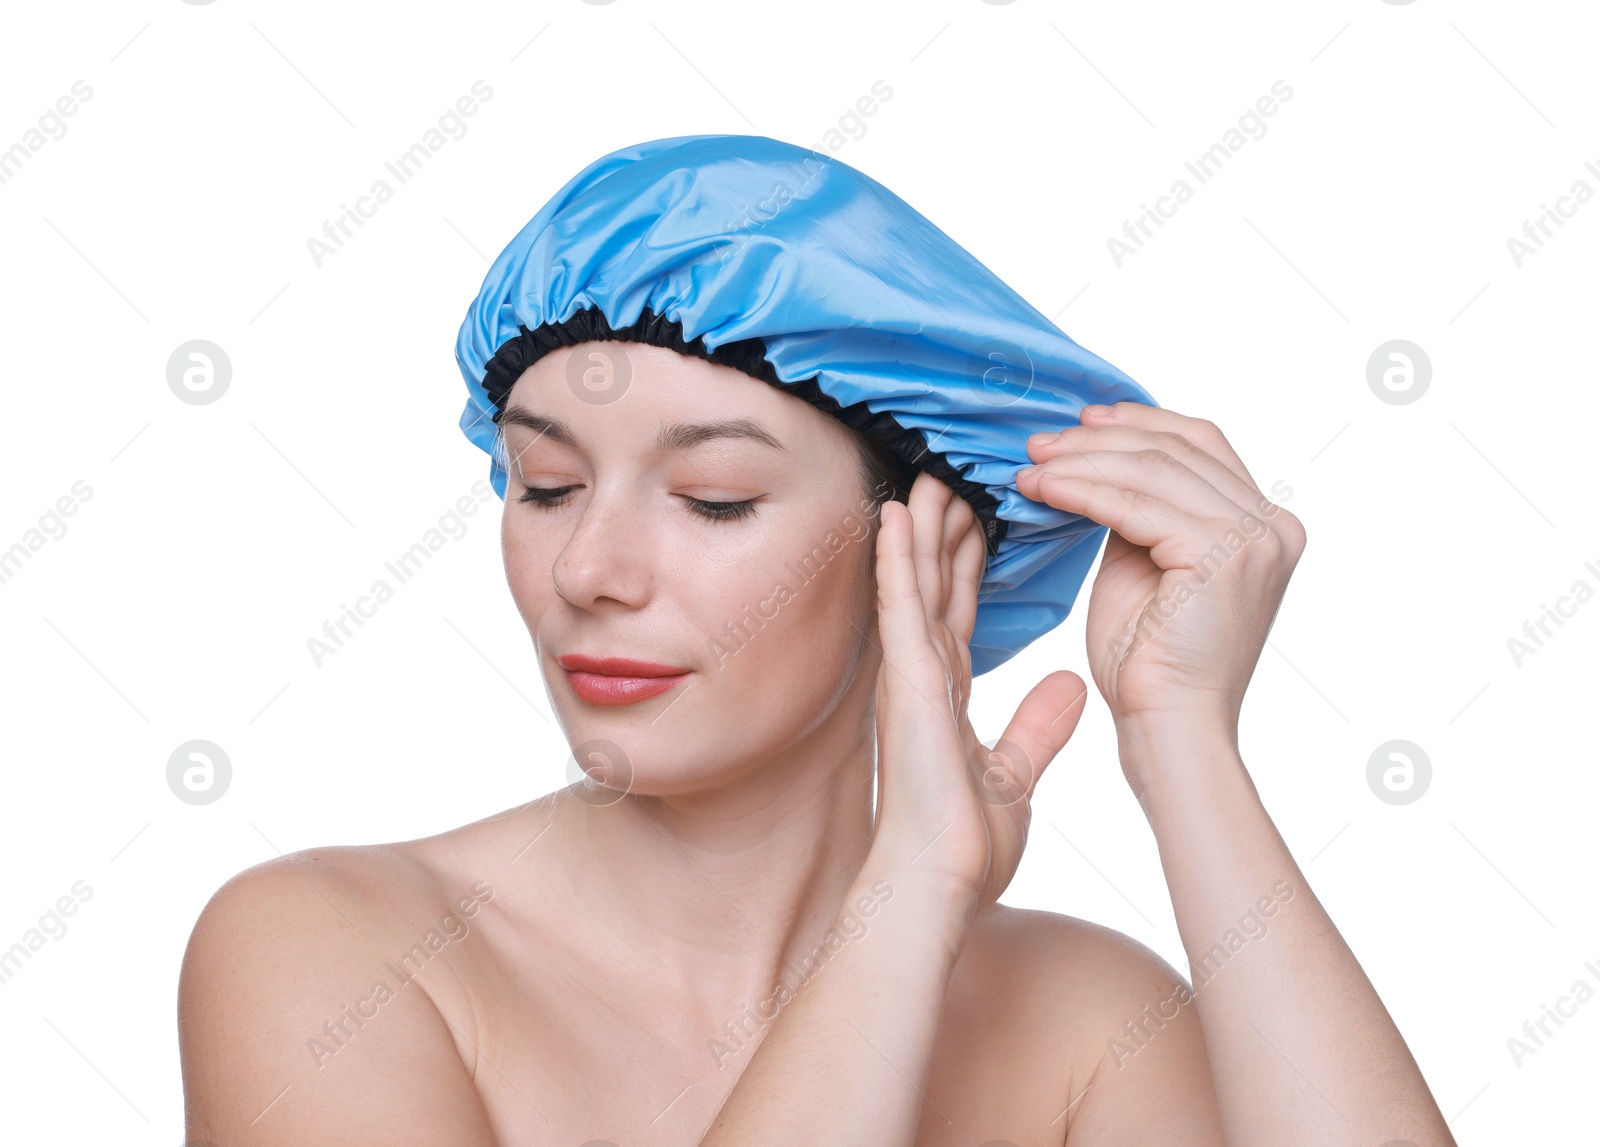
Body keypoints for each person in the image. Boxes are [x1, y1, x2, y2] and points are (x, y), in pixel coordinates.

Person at [178, 136, 1457, 1145]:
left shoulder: (1083, 1024)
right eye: (546, 486)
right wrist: (901, 903)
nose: (587, 569)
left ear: (931, 536)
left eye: (714, 498)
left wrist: (1184, 741)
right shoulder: (326, 948)